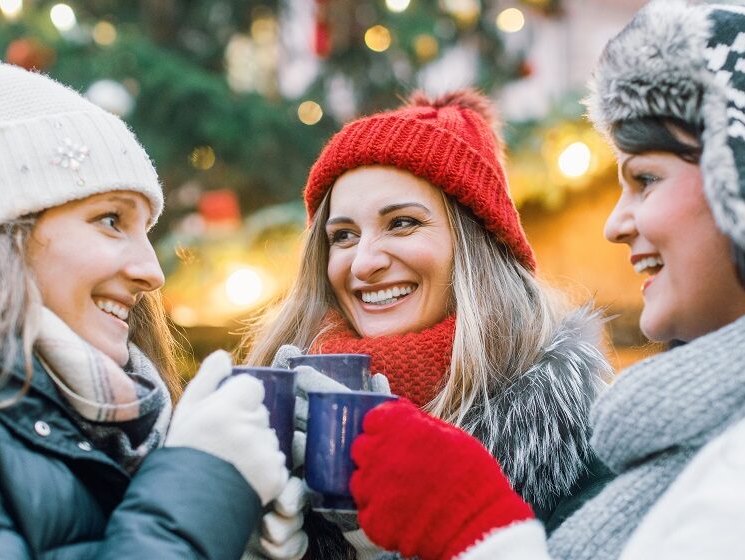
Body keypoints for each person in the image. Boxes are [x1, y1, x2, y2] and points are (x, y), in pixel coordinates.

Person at [343, 2, 745, 559]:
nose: (615, 224)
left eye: (645, 179)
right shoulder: (715, 428)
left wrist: (475, 531)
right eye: (341, 235)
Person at [0, 39, 291, 558]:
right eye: (111, 220)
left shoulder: (106, 426)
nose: (152, 272)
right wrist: (202, 482)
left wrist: (230, 529)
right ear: (0, 233)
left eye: (145, 229)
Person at [241, 90, 614, 557]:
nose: (363, 263)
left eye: (401, 223)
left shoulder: (582, 439)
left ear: (476, 246)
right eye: (343, 235)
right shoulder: (273, 412)